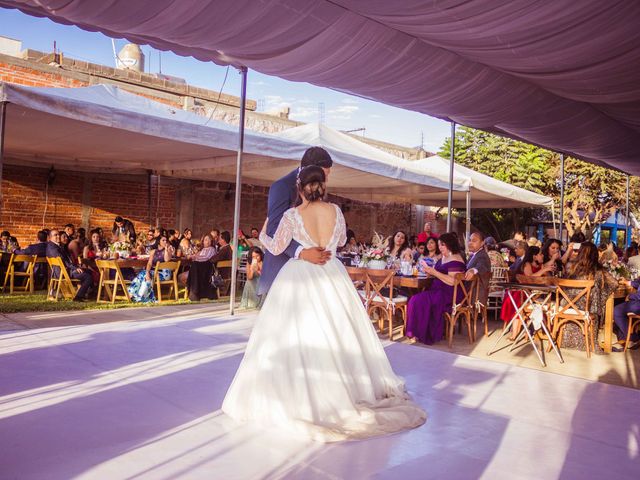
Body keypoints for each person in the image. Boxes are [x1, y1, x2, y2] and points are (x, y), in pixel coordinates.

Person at [222, 165, 425, 442]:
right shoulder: (336, 212)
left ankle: (306, 392)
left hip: (300, 276)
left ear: (299, 188)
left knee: (298, 333)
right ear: (322, 187)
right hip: (331, 272)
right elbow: (340, 241)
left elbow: (276, 247)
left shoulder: (293, 215)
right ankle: (350, 389)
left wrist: (266, 230)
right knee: (338, 331)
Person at [257, 146, 334, 299]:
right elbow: (273, 229)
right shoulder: (282, 187)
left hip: (312, 274)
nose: (326, 180)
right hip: (283, 271)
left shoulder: (320, 193)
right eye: (325, 174)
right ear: (312, 170)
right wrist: (302, 253)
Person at [405, 232, 467, 345]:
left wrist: (434, 272)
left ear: (450, 244)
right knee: (415, 299)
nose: (440, 247)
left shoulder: (456, 258)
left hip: (450, 294)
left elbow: (453, 281)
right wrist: (430, 272)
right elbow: (439, 273)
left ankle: (419, 332)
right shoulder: (444, 257)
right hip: (438, 290)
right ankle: (417, 331)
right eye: (439, 245)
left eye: (442, 245)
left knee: (416, 300)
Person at [561, 242, 617, 353]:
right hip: (589, 307)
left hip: (568, 306)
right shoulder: (599, 270)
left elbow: (564, 285)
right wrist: (601, 294)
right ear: (595, 255)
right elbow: (614, 283)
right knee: (596, 305)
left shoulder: (570, 267)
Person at [46, 229, 93, 301]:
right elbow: (64, 261)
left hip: (64, 270)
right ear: (50, 237)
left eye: (58, 234)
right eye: (55, 235)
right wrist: (75, 268)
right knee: (88, 276)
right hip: (64, 273)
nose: (58, 236)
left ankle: (86, 293)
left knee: (89, 271)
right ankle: (79, 297)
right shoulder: (53, 248)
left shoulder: (55, 246)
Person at [128, 235, 174, 303]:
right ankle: (139, 295)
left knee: (146, 274)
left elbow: (166, 259)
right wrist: (147, 272)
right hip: (154, 272)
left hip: (164, 274)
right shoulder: (153, 251)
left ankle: (134, 294)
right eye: (163, 240)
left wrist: (167, 249)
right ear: (159, 242)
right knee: (144, 273)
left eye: (166, 240)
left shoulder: (168, 250)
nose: (165, 242)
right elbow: (149, 263)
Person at [184, 234, 218, 301]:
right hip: (197, 271)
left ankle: (194, 293)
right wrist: (192, 256)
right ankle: (191, 292)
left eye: (209, 240)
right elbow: (195, 257)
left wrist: (194, 257)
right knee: (182, 276)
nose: (207, 242)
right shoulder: (202, 250)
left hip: (205, 272)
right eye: (205, 240)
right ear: (203, 241)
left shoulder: (211, 249)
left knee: (187, 275)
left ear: (211, 241)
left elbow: (206, 258)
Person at [464, 232, 492, 306]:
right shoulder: (472, 255)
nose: (470, 243)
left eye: (474, 241)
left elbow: (481, 266)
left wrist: (473, 270)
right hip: (468, 291)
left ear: (482, 243)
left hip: (475, 294)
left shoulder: (482, 255)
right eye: (470, 240)